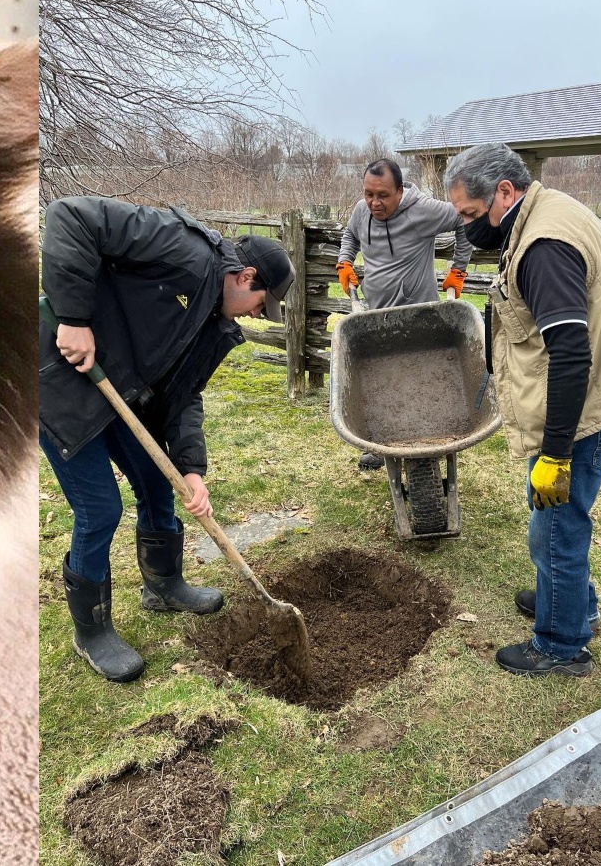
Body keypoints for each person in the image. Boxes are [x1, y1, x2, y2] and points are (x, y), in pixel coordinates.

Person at [39, 197, 295, 682]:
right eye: (262, 304)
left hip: (124, 389)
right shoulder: (183, 247)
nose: (259, 316)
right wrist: (74, 318)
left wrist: (192, 469)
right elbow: (69, 215)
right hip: (64, 379)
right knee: (100, 509)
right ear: (245, 277)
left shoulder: (216, 323)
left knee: (161, 483)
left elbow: (185, 395)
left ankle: (163, 585)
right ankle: (90, 632)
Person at [445, 142, 601, 678]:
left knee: (555, 524)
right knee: (561, 520)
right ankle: (572, 601)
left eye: (470, 215)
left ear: (504, 192)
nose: (468, 229)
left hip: (586, 410)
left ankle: (560, 644)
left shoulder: (544, 246)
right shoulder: (547, 210)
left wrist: (556, 453)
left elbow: (571, 353)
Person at [336, 158, 473, 469]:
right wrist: (345, 261)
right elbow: (350, 235)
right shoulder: (362, 210)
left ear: (400, 191)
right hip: (377, 317)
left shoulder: (423, 210)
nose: (374, 202)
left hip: (419, 316)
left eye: (383, 195)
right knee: (381, 382)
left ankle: (432, 439)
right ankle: (380, 447)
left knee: (422, 379)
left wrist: (459, 269)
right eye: (369, 194)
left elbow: (465, 220)